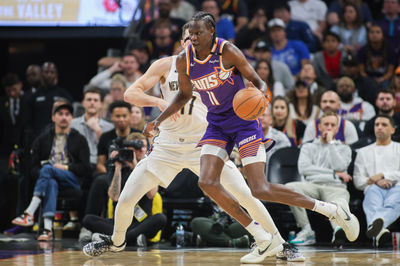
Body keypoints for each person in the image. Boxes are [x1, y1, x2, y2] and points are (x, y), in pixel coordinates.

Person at [144, 11, 359, 260]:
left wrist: (260, 100)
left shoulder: (228, 51)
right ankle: (261, 238)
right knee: (206, 182)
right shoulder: (184, 60)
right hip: (217, 125)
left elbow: (259, 82)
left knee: (259, 188)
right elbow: (183, 95)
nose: (192, 37)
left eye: (198, 33)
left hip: (244, 123)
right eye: (189, 33)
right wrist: (158, 121)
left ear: (211, 31)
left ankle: (331, 210)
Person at [83, 22, 305, 263]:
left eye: (197, 38)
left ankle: (281, 245)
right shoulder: (165, 65)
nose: (193, 43)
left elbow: (243, 84)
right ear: (182, 42)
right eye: (189, 39)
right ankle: (116, 243)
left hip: (206, 145)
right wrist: (157, 103)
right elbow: (129, 94)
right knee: (125, 200)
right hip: (167, 146)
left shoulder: (215, 65)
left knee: (247, 196)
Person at [12, 102, 91, 241]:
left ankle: (30, 212)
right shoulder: (42, 139)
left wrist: (65, 168)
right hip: (49, 180)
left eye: (67, 114)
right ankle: (47, 229)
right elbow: (33, 168)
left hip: (72, 180)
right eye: (60, 114)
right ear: (53, 117)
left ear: (71, 118)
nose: (64, 117)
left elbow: (85, 168)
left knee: (48, 168)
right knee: (51, 182)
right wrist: (46, 173)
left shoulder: (79, 139)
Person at [82, 133, 166, 246]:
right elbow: (114, 196)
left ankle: (119, 239)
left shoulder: (150, 165)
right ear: (127, 149)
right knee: (88, 219)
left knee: (160, 218)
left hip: (141, 223)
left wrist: (137, 167)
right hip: (119, 223)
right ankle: (131, 238)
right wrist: (118, 168)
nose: (138, 151)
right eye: (134, 149)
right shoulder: (118, 164)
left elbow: (151, 194)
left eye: (141, 147)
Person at [286, 112, 352, 246]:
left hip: (335, 187)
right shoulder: (308, 147)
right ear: (319, 127)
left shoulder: (344, 148)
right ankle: (306, 230)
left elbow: (340, 165)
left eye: (332, 125)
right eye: (326, 124)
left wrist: (331, 143)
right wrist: (334, 173)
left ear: (337, 129)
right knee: (290, 188)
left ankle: (338, 231)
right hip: (312, 185)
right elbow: (304, 169)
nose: (329, 127)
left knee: (339, 201)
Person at [353, 114, 400, 248]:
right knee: (372, 203)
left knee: (394, 202)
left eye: (384, 125)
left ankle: (377, 226)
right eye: (377, 124)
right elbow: (358, 180)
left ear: (392, 129)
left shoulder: (399, 148)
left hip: (397, 187)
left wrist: (382, 175)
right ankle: (380, 231)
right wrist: (376, 182)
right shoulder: (363, 152)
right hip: (372, 188)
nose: (379, 127)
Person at [71, 87, 114, 169]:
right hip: (77, 166)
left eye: (95, 100)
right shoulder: (72, 124)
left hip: (99, 166)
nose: (92, 103)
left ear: (101, 104)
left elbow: (110, 152)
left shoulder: (110, 127)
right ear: (83, 103)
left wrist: (98, 131)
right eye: (89, 99)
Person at [27, 62, 73, 138]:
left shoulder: (64, 94)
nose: (49, 75)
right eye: (46, 72)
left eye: (52, 72)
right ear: (41, 74)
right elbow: (29, 121)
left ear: (56, 75)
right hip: (39, 137)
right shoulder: (34, 96)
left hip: (60, 135)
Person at [260, 107, 291, 176]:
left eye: (263, 115)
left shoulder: (280, 138)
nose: (260, 118)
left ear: (271, 119)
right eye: (257, 116)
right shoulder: (249, 138)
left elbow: (285, 162)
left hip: (277, 177)